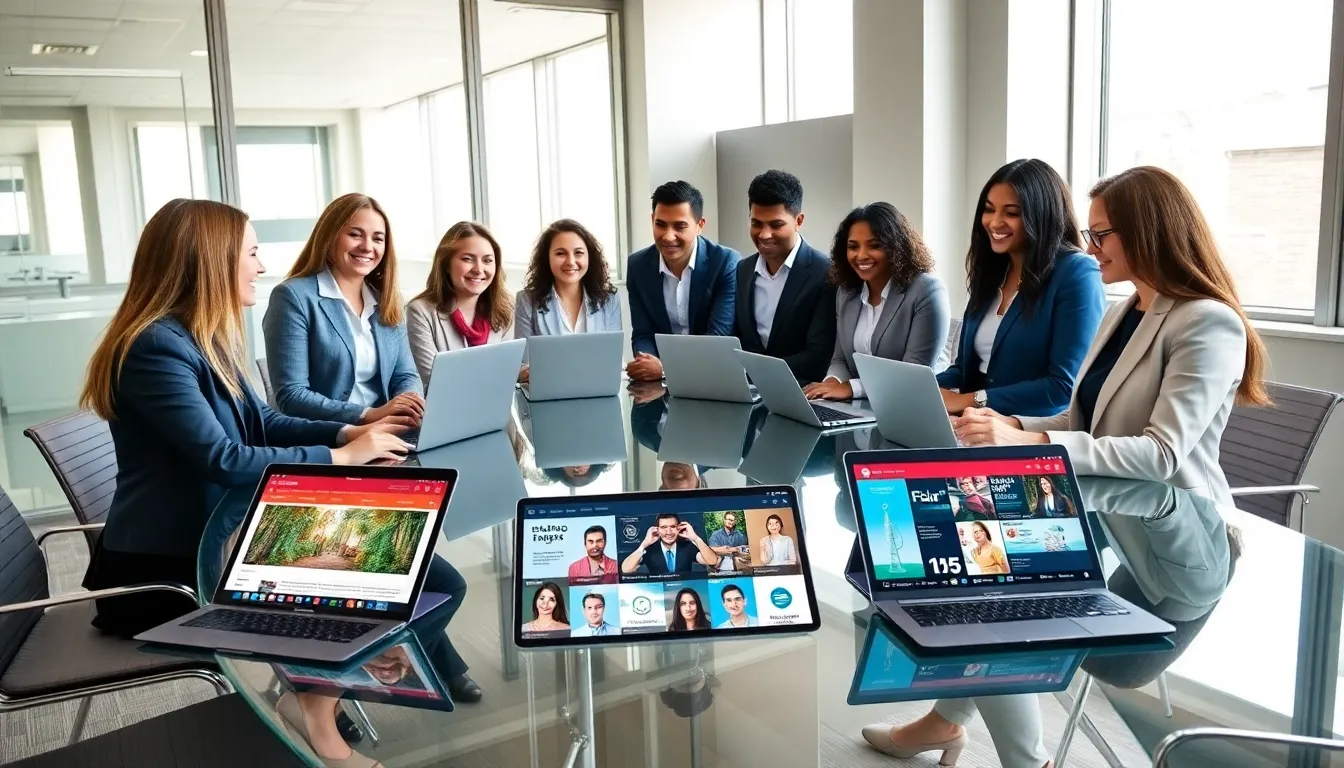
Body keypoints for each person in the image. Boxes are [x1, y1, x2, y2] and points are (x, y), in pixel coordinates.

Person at [76, 199, 474, 768]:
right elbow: (223, 458)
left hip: (229, 535)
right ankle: (317, 701)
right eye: (251, 253)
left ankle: (321, 692)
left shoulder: (201, 338)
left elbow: (261, 421)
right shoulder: (155, 347)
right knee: (403, 579)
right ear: (210, 261)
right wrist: (342, 456)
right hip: (172, 570)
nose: (261, 267)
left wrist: (353, 429)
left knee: (436, 579)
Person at [952, 166, 1269, 507]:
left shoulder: (1207, 322)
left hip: (1178, 518)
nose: (1090, 249)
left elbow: (1161, 454)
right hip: (1110, 508)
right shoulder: (1119, 314)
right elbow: (1085, 420)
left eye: (1100, 235)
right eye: (1090, 235)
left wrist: (1030, 441)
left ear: (1145, 233)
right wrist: (1011, 424)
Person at [938, 159, 1106, 417]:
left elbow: (1063, 386)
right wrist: (923, 387)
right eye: (989, 210)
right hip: (973, 423)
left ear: (1042, 216)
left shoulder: (1077, 272)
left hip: (1029, 428)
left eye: (1012, 213)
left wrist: (970, 401)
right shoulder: (993, 272)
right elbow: (965, 369)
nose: (995, 222)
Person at [263, 193, 424, 426]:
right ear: (329, 237)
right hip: (328, 436)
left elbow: (405, 374)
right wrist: (370, 415)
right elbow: (292, 395)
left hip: (387, 429)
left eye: (378, 239)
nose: (367, 247)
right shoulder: (292, 297)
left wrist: (407, 405)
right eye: (355, 234)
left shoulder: (388, 300)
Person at [803, 203, 950, 402]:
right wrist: (830, 384)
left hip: (913, 404)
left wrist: (852, 388)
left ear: (896, 247)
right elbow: (840, 359)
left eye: (874, 245)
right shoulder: (847, 291)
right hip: (863, 406)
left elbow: (914, 373)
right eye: (853, 246)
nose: (861, 255)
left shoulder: (927, 290)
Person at [626, 181, 740, 382]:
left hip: (715, 377)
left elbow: (718, 337)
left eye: (679, 226)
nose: (668, 236)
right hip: (658, 383)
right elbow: (643, 333)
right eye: (660, 224)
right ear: (652, 220)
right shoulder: (637, 266)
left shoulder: (725, 262)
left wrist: (666, 369)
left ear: (700, 225)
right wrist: (647, 362)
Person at [732, 170, 836, 383]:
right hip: (747, 391)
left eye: (776, 225)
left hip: (801, 390)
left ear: (799, 220)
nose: (764, 234)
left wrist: (757, 371)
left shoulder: (825, 272)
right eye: (756, 223)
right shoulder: (742, 269)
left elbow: (819, 355)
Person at [406, 221, 514, 385]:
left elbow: (507, 374)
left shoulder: (506, 309)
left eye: (487, 261)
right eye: (467, 259)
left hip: (497, 400)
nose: (479, 269)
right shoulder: (420, 311)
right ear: (446, 264)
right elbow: (435, 381)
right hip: (446, 401)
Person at [514, 219, 622, 380]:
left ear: (589, 256)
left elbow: (613, 361)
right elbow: (523, 365)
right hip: (549, 391)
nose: (571, 262)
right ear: (547, 258)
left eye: (578, 253)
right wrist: (528, 373)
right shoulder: (527, 300)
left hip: (597, 389)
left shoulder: (609, 300)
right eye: (560, 253)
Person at [620, 513, 717, 574]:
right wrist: (644, 544)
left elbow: (712, 561)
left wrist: (695, 538)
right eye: (664, 527)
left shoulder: (687, 546)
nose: (669, 532)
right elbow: (626, 569)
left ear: (679, 528)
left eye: (673, 527)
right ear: (657, 530)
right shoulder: (649, 549)